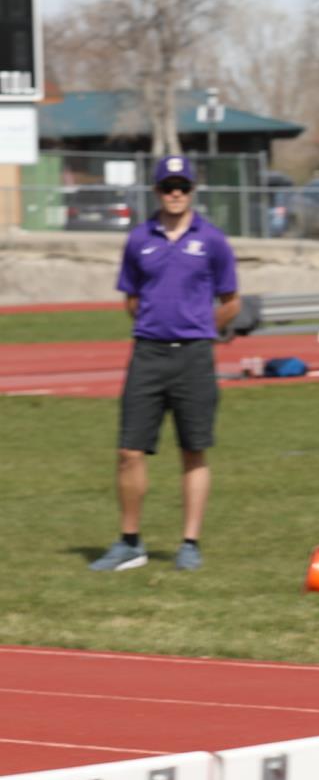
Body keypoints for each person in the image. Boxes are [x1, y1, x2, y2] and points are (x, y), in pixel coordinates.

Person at [90, 156, 240, 573]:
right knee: (128, 451)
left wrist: (199, 329)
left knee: (194, 450)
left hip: (194, 357)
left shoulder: (212, 240)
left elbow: (232, 303)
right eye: (168, 186)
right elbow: (132, 298)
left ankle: (189, 542)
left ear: (192, 190)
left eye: (183, 186)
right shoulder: (139, 239)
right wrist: (156, 324)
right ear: (156, 190)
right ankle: (129, 542)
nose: (176, 193)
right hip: (148, 355)